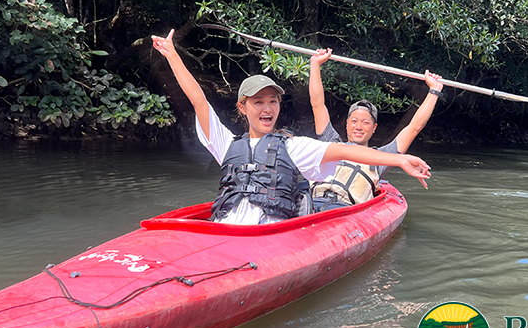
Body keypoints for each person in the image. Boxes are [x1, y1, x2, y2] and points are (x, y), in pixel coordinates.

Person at [150, 29, 432, 225]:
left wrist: (400, 159)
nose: (267, 108)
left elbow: (350, 153)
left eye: (273, 102)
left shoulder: (293, 146)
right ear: (242, 107)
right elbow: (199, 100)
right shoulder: (225, 144)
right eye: (258, 102)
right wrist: (172, 55)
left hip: (273, 234)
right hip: (227, 228)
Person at [307, 47, 444, 210]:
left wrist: (434, 91)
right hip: (311, 205)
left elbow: (414, 127)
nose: (358, 127)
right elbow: (317, 104)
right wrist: (315, 64)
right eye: (354, 121)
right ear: (347, 124)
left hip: (343, 212)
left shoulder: (381, 158)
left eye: (365, 123)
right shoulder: (331, 142)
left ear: (374, 128)